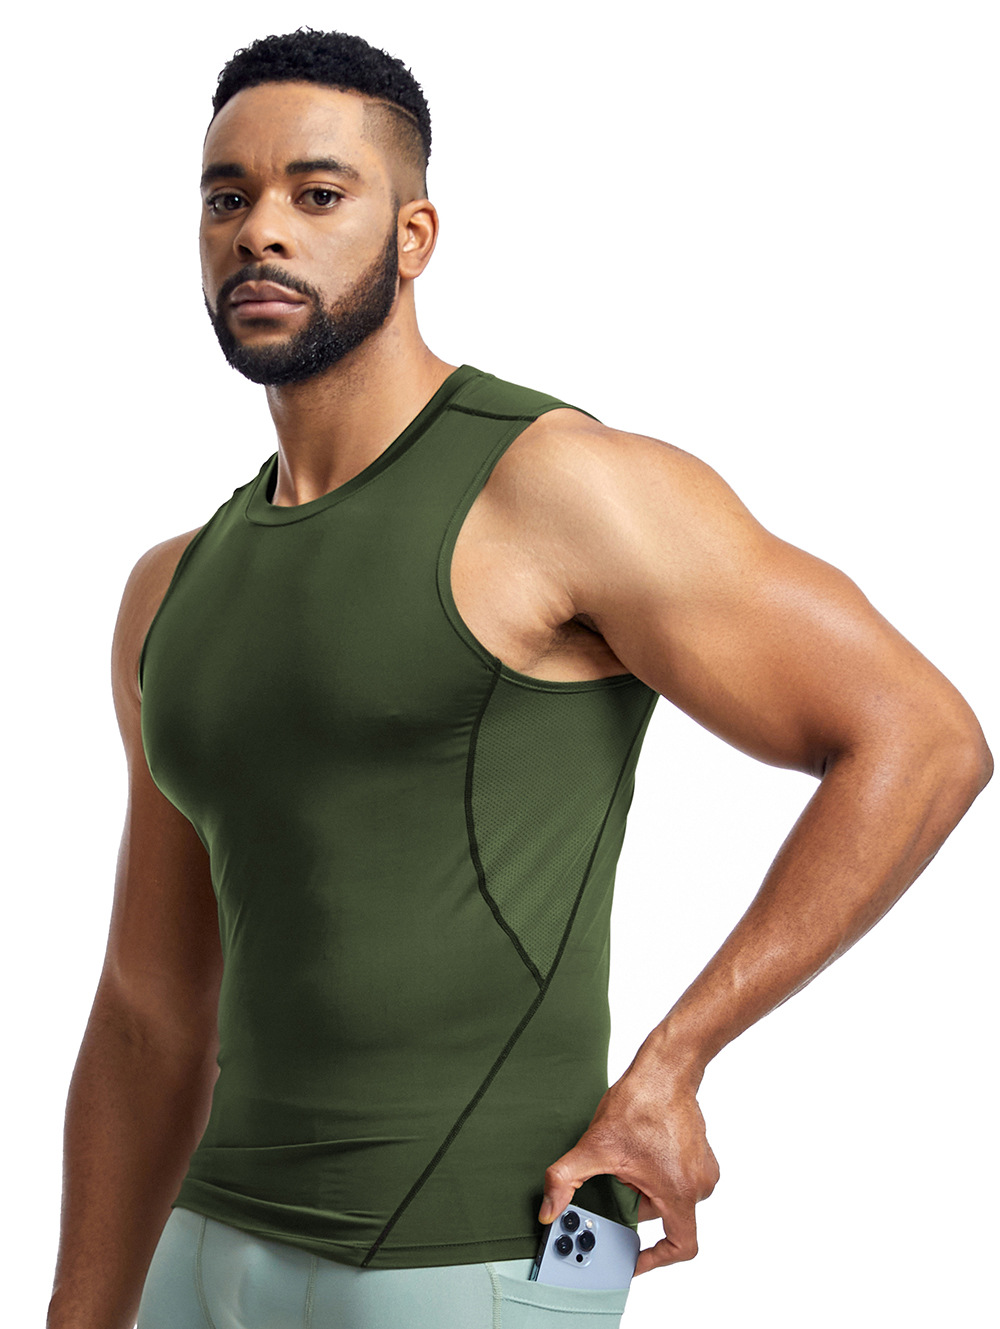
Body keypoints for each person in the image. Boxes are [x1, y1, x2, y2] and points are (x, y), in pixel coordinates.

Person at [46, 26, 991, 1329]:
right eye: (227, 198)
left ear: (413, 236)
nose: (260, 230)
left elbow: (923, 739)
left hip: (495, 1256)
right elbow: (148, 1014)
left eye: (317, 194)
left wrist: (675, 1061)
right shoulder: (171, 587)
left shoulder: (558, 486)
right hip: (203, 1250)